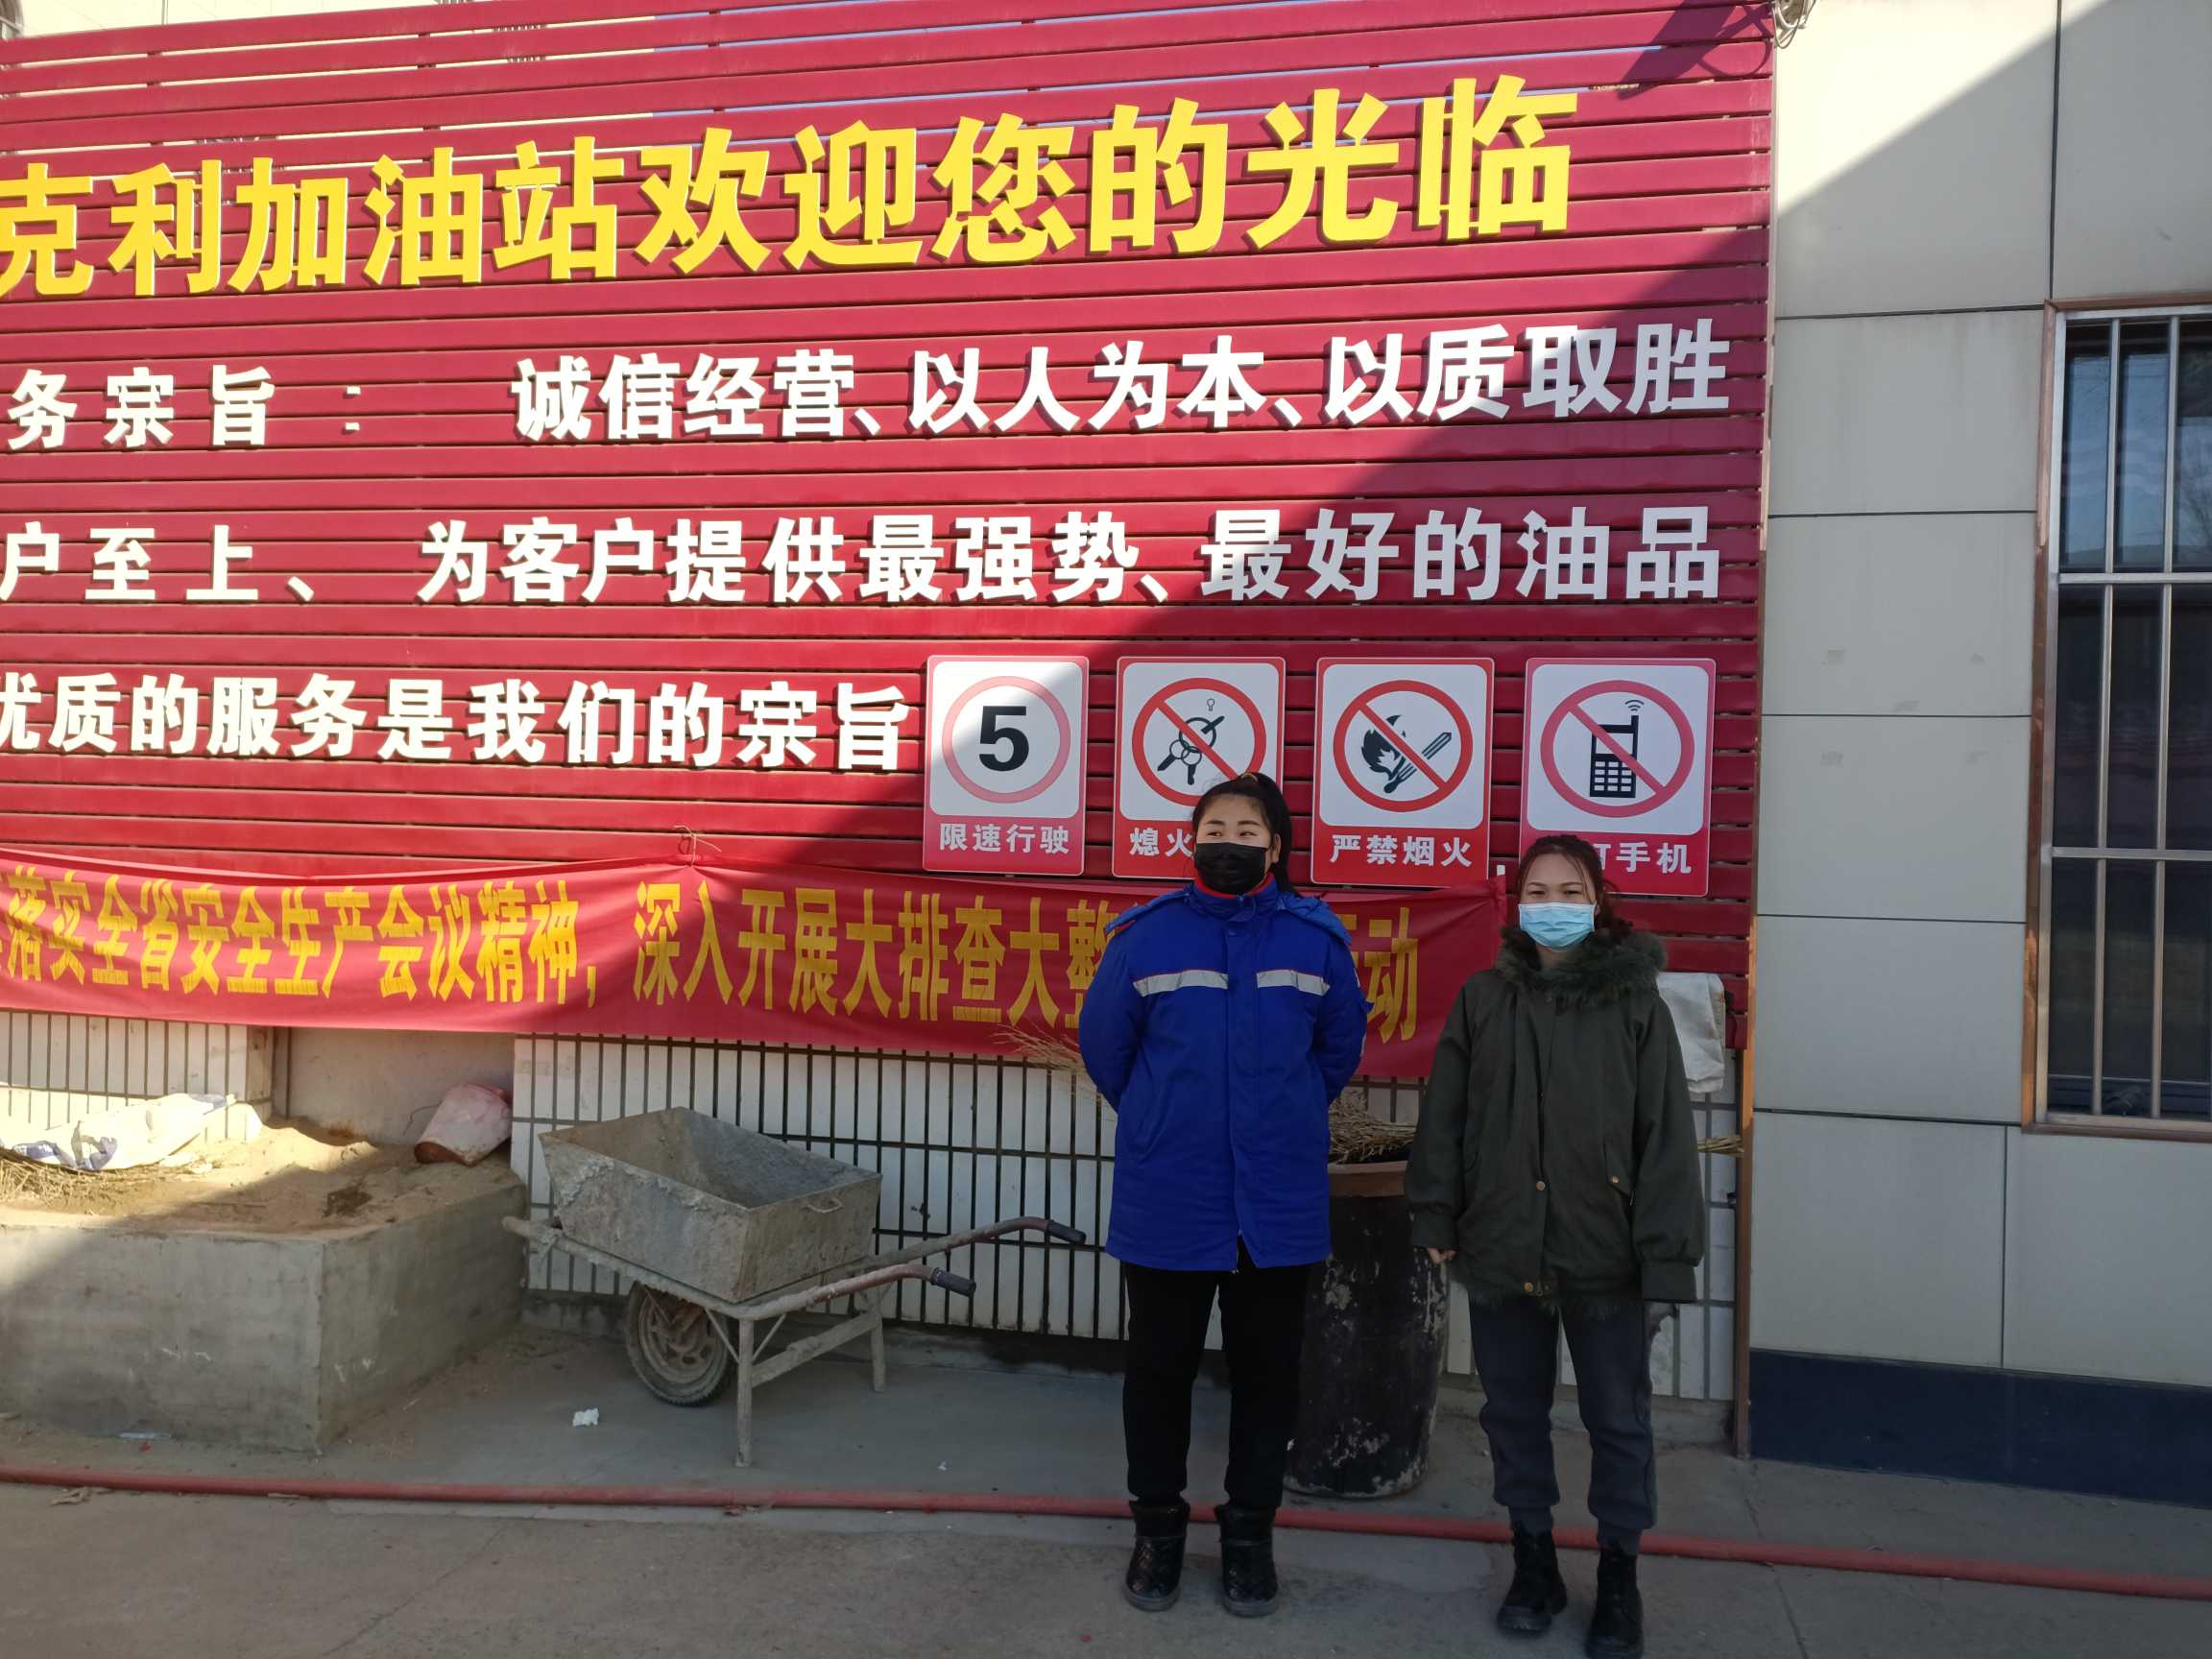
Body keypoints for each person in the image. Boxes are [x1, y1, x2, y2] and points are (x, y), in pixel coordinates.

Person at [1406, 834, 1705, 1659]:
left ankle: (1619, 1574)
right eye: (1538, 892)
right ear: (1516, 904)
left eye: (1571, 893)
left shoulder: (1636, 1005)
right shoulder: (1483, 999)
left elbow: (1666, 1135)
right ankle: (1532, 1560)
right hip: (1504, 1239)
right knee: (1513, 1412)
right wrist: (1435, 1216)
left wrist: (1666, 1254)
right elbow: (1447, 1115)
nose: (1554, 907)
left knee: (1618, 1418)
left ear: (1599, 903)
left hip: (1607, 1249)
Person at [1078, 772, 1369, 1619]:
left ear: (1276, 847)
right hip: (1170, 1190)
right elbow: (1106, 1048)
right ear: (1191, 840)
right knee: (1158, 1372)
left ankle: (1249, 1538)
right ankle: (1157, 1533)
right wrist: (1165, 1116)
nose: (1230, 843)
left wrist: (1279, 1115)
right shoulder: (1145, 937)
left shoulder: (1315, 941)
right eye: (1215, 828)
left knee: (1268, 1377)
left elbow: (1338, 1049)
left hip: (1276, 1198)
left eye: (1249, 831)